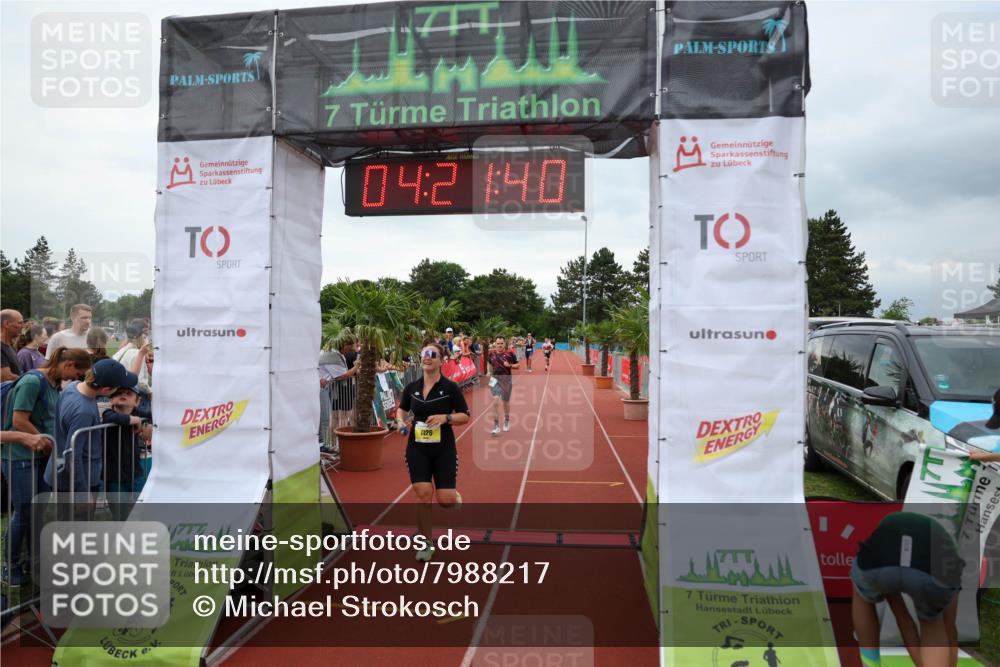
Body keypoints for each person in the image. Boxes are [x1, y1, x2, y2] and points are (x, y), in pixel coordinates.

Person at [2, 346, 92, 585]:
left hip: (39, 455)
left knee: (37, 510)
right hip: (19, 456)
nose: (76, 379)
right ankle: (9, 566)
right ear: (69, 364)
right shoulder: (33, 381)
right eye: (78, 373)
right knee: (23, 512)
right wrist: (46, 442)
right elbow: (18, 420)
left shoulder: (53, 384)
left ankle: (34, 561)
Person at [851, 511, 963, 667]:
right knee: (932, 623)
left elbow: (905, 622)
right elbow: (950, 632)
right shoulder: (950, 565)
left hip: (880, 564)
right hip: (928, 570)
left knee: (861, 593)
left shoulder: (885, 547)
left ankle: (870, 664)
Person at [394, 343, 470, 562]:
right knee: (423, 494)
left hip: (443, 448)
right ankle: (426, 543)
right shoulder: (412, 387)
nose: (427, 358)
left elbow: (464, 415)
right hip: (417, 448)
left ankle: (452, 496)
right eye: (424, 354)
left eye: (432, 355)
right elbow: (402, 408)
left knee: (444, 500)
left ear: (441, 360)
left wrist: (445, 418)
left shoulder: (450, 387)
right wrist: (400, 422)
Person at [44, 358, 138, 495]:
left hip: (60, 472)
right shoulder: (84, 412)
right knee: (76, 517)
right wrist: (82, 492)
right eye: (118, 387)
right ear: (106, 389)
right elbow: (73, 455)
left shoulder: (73, 386)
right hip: (78, 482)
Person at [101, 384, 152, 519]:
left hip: (135, 471)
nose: (123, 395)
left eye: (128, 394)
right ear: (111, 400)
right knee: (119, 514)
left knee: (143, 508)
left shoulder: (137, 413)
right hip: (114, 475)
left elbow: (154, 415)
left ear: (137, 402)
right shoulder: (108, 414)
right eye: (118, 393)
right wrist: (135, 420)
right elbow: (116, 419)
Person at [487, 335, 519, 436]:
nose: (500, 345)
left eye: (501, 343)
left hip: (506, 381)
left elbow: (518, 365)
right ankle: (496, 426)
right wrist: (489, 372)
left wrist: (509, 365)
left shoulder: (510, 354)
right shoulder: (491, 354)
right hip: (495, 380)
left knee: (505, 402)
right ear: (495, 344)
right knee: (495, 401)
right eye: (498, 343)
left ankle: (507, 419)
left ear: (504, 344)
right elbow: (489, 363)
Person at [112, 319, 152, 395]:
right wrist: (150, 392)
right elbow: (140, 382)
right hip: (134, 394)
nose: (148, 339)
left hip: (120, 392)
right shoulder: (138, 354)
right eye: (146, 333)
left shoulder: (124, 349)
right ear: (141, 335)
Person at [1, 309, 24, 381]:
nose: (23, 326)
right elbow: (6, 377)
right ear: (7, 324)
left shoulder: (10, 345)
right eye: (20, 323)